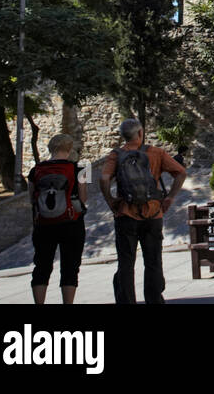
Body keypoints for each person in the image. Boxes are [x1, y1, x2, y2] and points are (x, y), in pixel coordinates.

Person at [100, 118, 186, 305]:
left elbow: (104, 179)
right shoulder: (155, 153)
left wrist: (111, 201)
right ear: (140, 133)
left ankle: (127, 301)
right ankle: (154, 299)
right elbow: (180, 172)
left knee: (126, 262)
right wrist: (170, 197)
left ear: (123, 136)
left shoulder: (116, 155)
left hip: (126, 213)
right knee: (153, 260)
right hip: (153, 212)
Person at [28, 133, 87, 305]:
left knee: (42, 265)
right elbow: (84, 198)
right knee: (70, 267)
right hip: (72, 223)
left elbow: (32, 199)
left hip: (43, 225)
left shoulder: (35, 170)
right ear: (69, 149)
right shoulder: (80, 169)